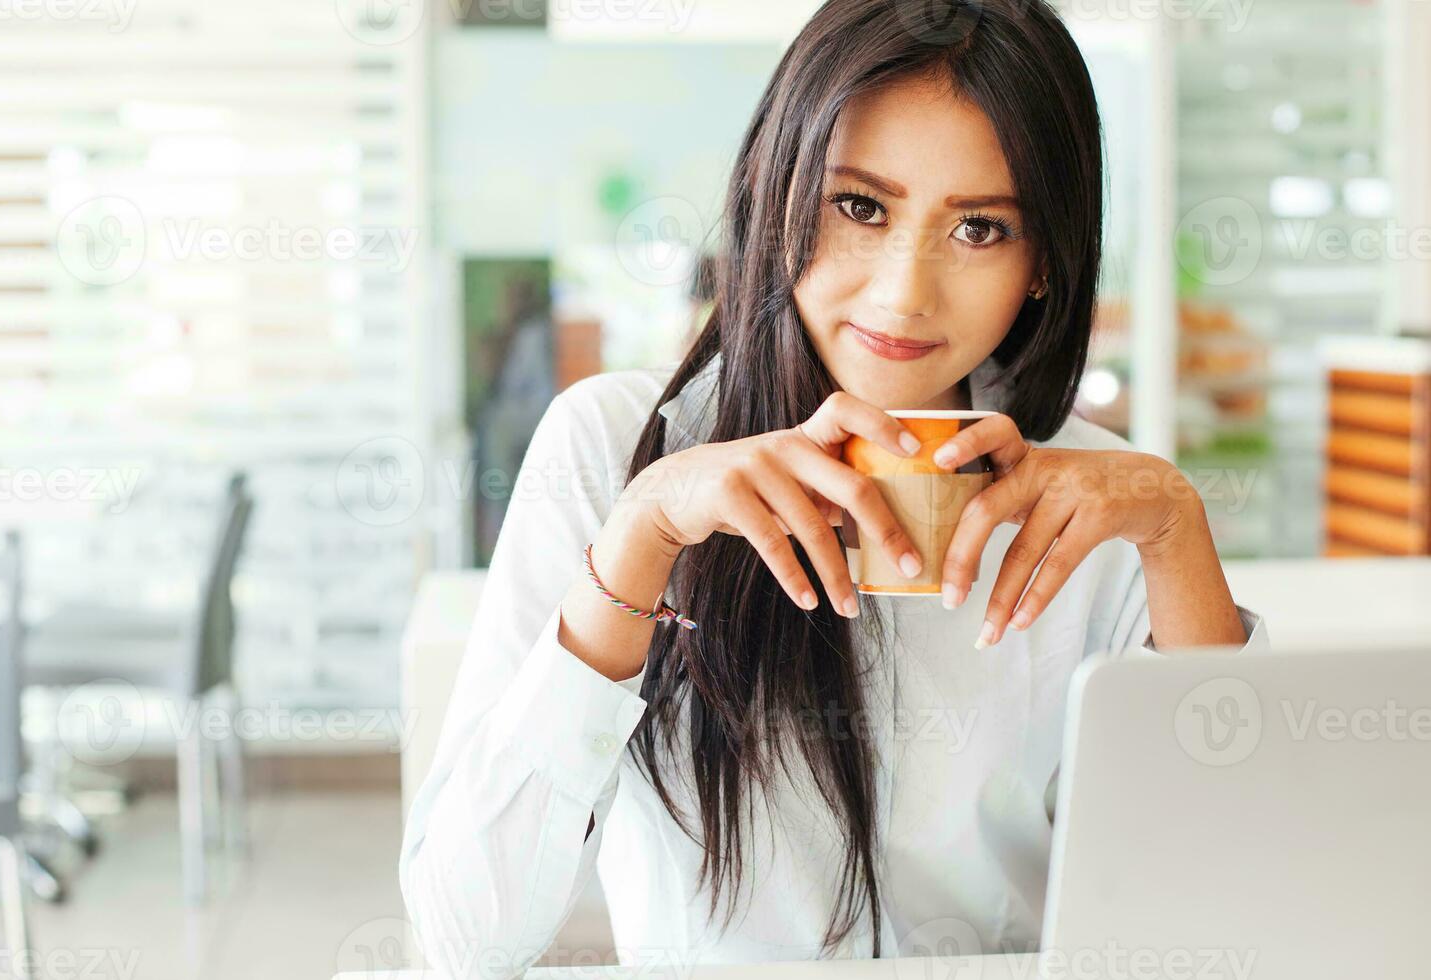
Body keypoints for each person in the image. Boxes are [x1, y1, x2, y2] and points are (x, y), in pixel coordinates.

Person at [401, 0, 1268, 973]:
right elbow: (464, 941)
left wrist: (1174, 531)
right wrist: (640, 536)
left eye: (979, 227)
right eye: (860, 207)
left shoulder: (1093, 499)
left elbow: (1237, 917)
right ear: (776, 195)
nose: (904, 290)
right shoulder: (616, 445)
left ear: (1042, 266)